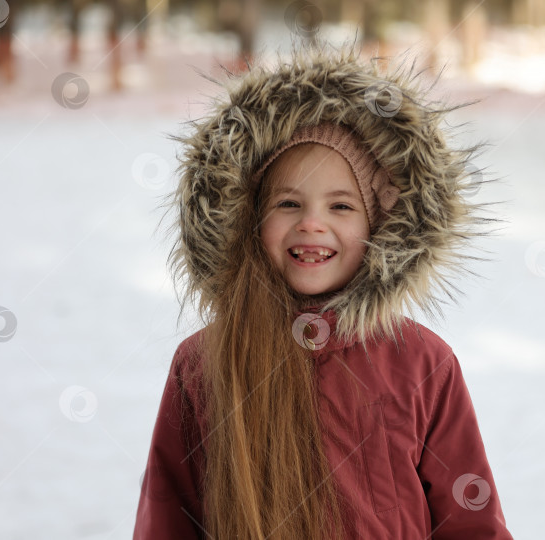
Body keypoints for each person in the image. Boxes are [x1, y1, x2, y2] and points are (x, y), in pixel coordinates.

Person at [133, 40, 515, 539]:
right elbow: (168, 515)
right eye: (288, 204)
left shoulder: (423, 364)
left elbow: (470, 522)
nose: (312, 224)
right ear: (251, 221)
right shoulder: (203, 363)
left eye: (340, 207)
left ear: (380, 230)